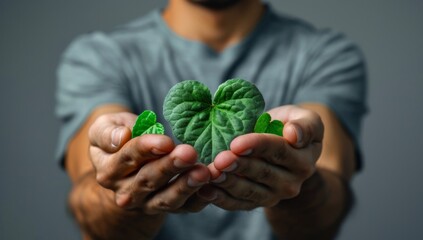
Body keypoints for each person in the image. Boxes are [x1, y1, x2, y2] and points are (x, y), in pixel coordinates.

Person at [55, 0, 367, 239]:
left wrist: (299, 179)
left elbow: (326, 212)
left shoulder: (325, 54)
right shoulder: (99, 56)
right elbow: (90, 204)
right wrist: (121, 191)